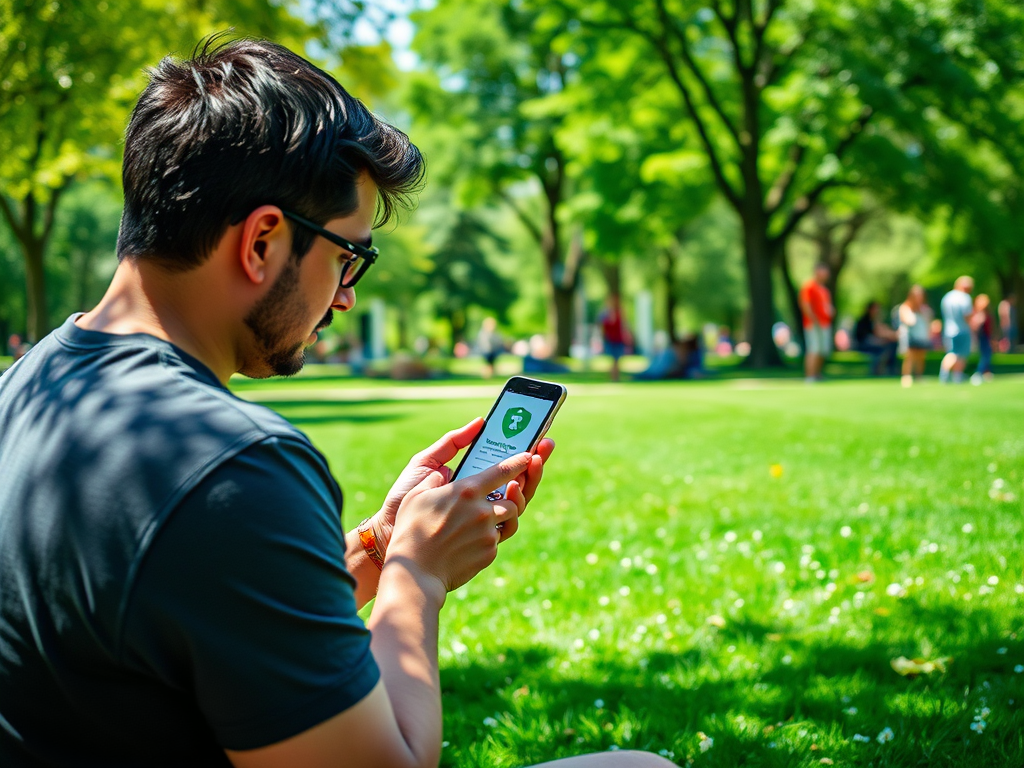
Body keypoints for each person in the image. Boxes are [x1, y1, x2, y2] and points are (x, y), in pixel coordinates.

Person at [0, 39, 669, 768]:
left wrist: (380, 547)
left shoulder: (28, 388)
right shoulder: (232, 465)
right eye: (349, 257)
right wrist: (418, 577)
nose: (347, 296)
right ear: (262, 240)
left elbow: (192, 612)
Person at [799, 263, 835, 381]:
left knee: (822, 350)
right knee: (813, 349)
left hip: (825, 324)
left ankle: (817, 374)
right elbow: (805, 304)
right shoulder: (809, 286)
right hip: (814, 324)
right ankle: (810, 376)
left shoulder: (824, 290)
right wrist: (813, 319)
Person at [939, 275, 975, 384]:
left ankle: (946, 373)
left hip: (949, 330)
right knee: (961, 354)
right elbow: (967, 315)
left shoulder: (947, 297)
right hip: (962, 329)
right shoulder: (965, 298)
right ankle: (956, 375)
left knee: (952, 352)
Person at [897, 285, 933, 387]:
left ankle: (919, 376)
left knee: (921, 356)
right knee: (909, 356)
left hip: (921, 335)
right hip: (910, 336)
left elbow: (928, 322)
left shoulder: (924, 309)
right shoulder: (905, 307)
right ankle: (906, 376)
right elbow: (908, 321)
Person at [852, 301, 898, 376]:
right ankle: (879, 370)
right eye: (876, 309)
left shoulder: (874, 320)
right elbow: (866, 337)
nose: (877, 311)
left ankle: (889, 368)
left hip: (872, 342)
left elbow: (882, 331)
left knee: (891, 344)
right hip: (863, 344)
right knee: (883, 349)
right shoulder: (864, 321)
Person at [599, 294, 631, 382]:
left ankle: (615, 377)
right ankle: (614, 377)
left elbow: (623, 325)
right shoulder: (605, 314)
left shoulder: (619, 313)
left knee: (617, 360)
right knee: (614, 360)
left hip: (618, 339)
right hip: (610, 339)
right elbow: (603, 327)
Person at [971, 294, 994, 384]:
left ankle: (986, 372)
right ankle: (979, 372)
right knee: (985, 355)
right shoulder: (979, 313)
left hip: (987, 336)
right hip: (982, 337)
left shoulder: (987, 313)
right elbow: (975, 326)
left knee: (987, 354)